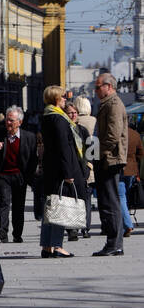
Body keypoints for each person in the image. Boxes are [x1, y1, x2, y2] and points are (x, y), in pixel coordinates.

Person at [38, 86, 84, 259]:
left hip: (52, 168)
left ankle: (47, 246)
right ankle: (57, 245)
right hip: (60, 170)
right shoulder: (59, 119)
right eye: (63, 97)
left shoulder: (47, 116)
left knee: (51, 207)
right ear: (56, 99)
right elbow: (63, 148)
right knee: (59, 206)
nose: (65, 99)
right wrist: (68, 173)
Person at [0, 106, 37, 243]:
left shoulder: (29, 137)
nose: (8, 123)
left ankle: (17, 234)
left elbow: (33, 158)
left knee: (18, 206)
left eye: (11, 120)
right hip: (4, 175)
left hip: (20, 175)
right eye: (7, 120)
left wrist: (30, 176)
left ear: (19, 122)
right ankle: (2, 230)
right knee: (4, 202)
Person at [92, 73, 127, 256]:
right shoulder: (107, 104)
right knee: (107, 201)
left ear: (108, 86)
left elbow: (113, 135)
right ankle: (114, 243)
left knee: (110, 201)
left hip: (110, 159)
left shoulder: (113, 105)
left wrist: (98, 150)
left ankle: (114, 243)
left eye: (98, 87)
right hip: (106, 157)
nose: (96, 90)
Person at [66, 100, 93, 240]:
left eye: (75, 113)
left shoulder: (83, 130)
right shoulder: (64, 129)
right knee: (69, 200)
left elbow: (92, 149)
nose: (73, 115)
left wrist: (89, 165)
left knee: (82, 199)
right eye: (70, 112)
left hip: (82, 169)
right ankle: (72, 230)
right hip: (68, 169)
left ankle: (84, 227)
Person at [121, 125, 142, 238]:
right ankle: (126, 219)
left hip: (119, 169)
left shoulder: (116, 133)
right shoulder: (134, 134)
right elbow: (140, 153)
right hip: (132, 169)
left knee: (121, 197)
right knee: (125, 196)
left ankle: (127, 224)